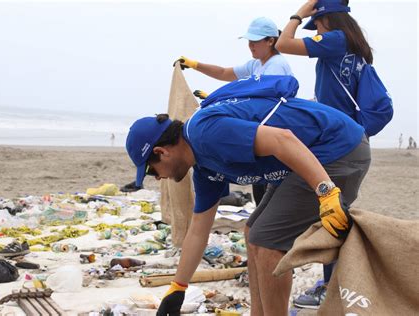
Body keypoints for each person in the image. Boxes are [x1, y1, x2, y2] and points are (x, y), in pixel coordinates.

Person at [125, 75, 370, 315]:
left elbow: (282, 139)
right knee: (253, 232)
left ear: (161, 152)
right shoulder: (203, 167)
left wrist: (325, 192)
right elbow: (198, 229)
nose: (158, 178)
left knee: (267, 241)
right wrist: (178, 287)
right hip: (307, 158)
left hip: (338, 149)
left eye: (151, 171)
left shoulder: (204, 134)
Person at [275, 0, 374, 308]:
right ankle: (334, 282)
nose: (314, 28)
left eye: (316, 23)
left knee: (331, 213)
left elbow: (283, 44)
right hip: (348, 137)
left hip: (337, 143)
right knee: (336, 210)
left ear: (328, 20)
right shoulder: (353, 48)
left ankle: (332, 286)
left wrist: (299, 13)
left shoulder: (335, 40)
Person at [174, 16, 293, 206]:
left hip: (273, 130)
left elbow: (262, 101)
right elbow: (224, 73)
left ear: (270, 41)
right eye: (249, 41)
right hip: (258, 127)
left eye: (255, 41)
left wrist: (222, 102)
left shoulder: (276, 65)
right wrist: (195, 64)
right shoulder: (256, 64)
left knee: (268, 187)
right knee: (261, 191)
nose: (251, 46)